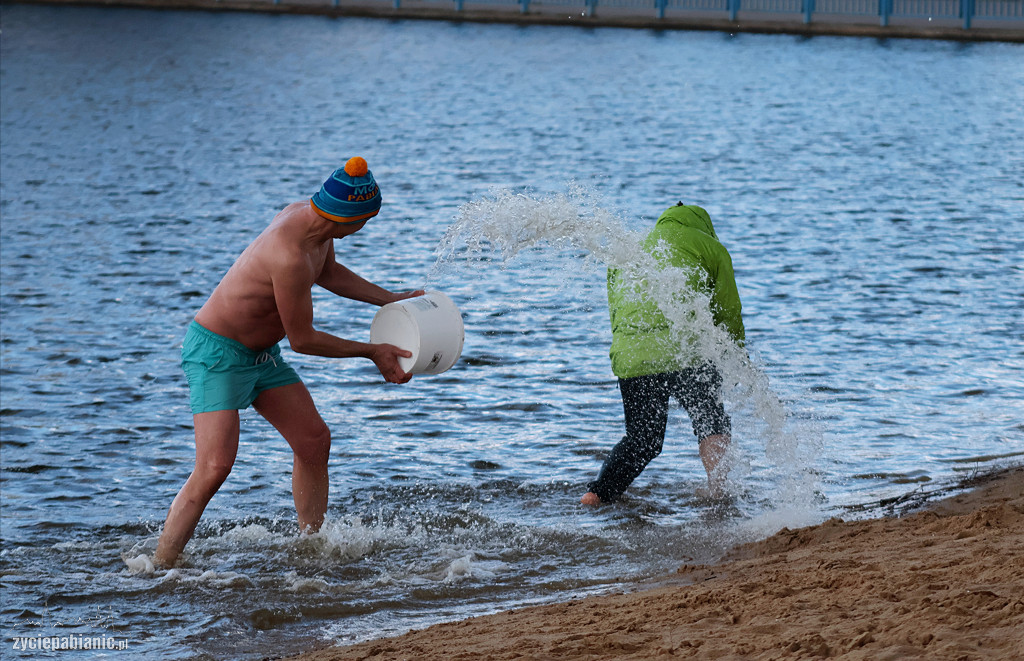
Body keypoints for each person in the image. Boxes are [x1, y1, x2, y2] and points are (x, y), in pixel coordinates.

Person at [154, 157, 424, 567]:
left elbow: (329, 273)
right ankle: (160, 567)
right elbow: (303, 340)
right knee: (214, 467)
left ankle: (311, 547)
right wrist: (373, 351)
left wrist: (391, 299)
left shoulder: (315, 223)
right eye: (367, 220)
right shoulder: (289, 254)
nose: (367, 226)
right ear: (348, 219)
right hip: (217, 355)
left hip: (261, 355)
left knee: (313, 441)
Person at [581, 203, 745, 506]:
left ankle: (596, 495)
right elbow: (728, 313)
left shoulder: (628, 248)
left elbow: (616, 311)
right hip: (688, 351)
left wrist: (625, 355)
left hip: (633, 356)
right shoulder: (711, 247)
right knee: (711, 421)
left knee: (642, 441)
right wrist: (735, 357)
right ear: (704, 226)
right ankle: (719, 494)